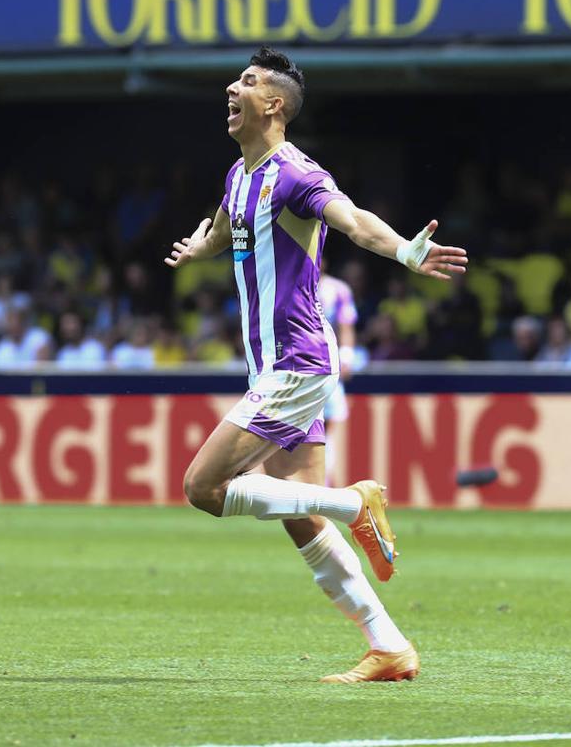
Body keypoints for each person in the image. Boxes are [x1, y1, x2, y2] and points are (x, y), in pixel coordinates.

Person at [164, 47, 468, 683]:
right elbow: (226, 230)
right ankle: (389, 646)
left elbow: (353, 222)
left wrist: (408, 254)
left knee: (202, 488)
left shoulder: (298, 175)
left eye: (246, 82)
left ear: (273, 105)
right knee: (296, 515)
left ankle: (354, 502)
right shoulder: (238, 175)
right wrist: (199, 249)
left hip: (295, 361)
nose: (231, 87)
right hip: (273, 364)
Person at [318, 262, 357, 481]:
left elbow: (346, 325)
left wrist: (347, 357)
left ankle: (322, 484)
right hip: (299, 367)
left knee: (325, 431)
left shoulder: (337, 289)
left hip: (328, 367)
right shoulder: (290, 283)